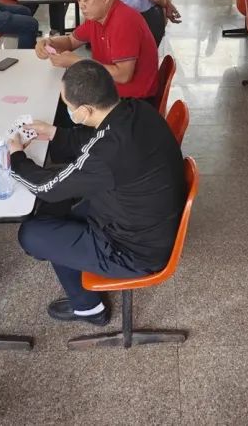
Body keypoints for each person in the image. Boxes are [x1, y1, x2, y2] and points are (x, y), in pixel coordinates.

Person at [13, 60, 186, 325]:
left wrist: (15, 158)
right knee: (51, 212)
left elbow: (47, 187)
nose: (69, 110)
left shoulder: (108, 154)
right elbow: (94, 140)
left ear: (84, 110)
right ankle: (71, 258)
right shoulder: (136, 109)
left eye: (68, 106)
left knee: (31, 233)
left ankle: (89, 309)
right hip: (144, 217)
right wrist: (56, 133)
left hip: (134, 251)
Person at [35, 0, 159, 101]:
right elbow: (71, 41)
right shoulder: (96, 18)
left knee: (63, 101)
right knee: (59, 95)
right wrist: (49, 42)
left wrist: (77, 62)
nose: (81, 6)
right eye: (79, 0)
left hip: (132, 101)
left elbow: (123, 76)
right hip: (108, 87)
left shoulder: (124, 21)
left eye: (86, 0)